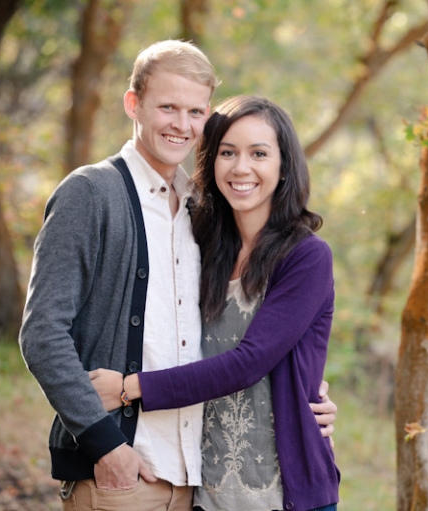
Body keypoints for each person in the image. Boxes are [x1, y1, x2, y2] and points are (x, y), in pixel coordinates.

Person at [19, 41, 335, 511]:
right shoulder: (92, 194)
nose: (181, 124)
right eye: (167, 106)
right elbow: (42, 333)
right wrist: (105, 445)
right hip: (125, 474)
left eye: (195, 111)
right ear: (134, 104)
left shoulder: (198, 216)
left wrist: (308, 393)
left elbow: (246, 351)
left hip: (195, 484)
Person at [90, 95, 339, 511]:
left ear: (284, 167)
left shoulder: (306, 256)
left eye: (259, 153)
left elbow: (250, 361)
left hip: (285, 496)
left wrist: (129, 389)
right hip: (207, 493)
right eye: (227, 152)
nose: (241, 168)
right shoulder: (199, 247)